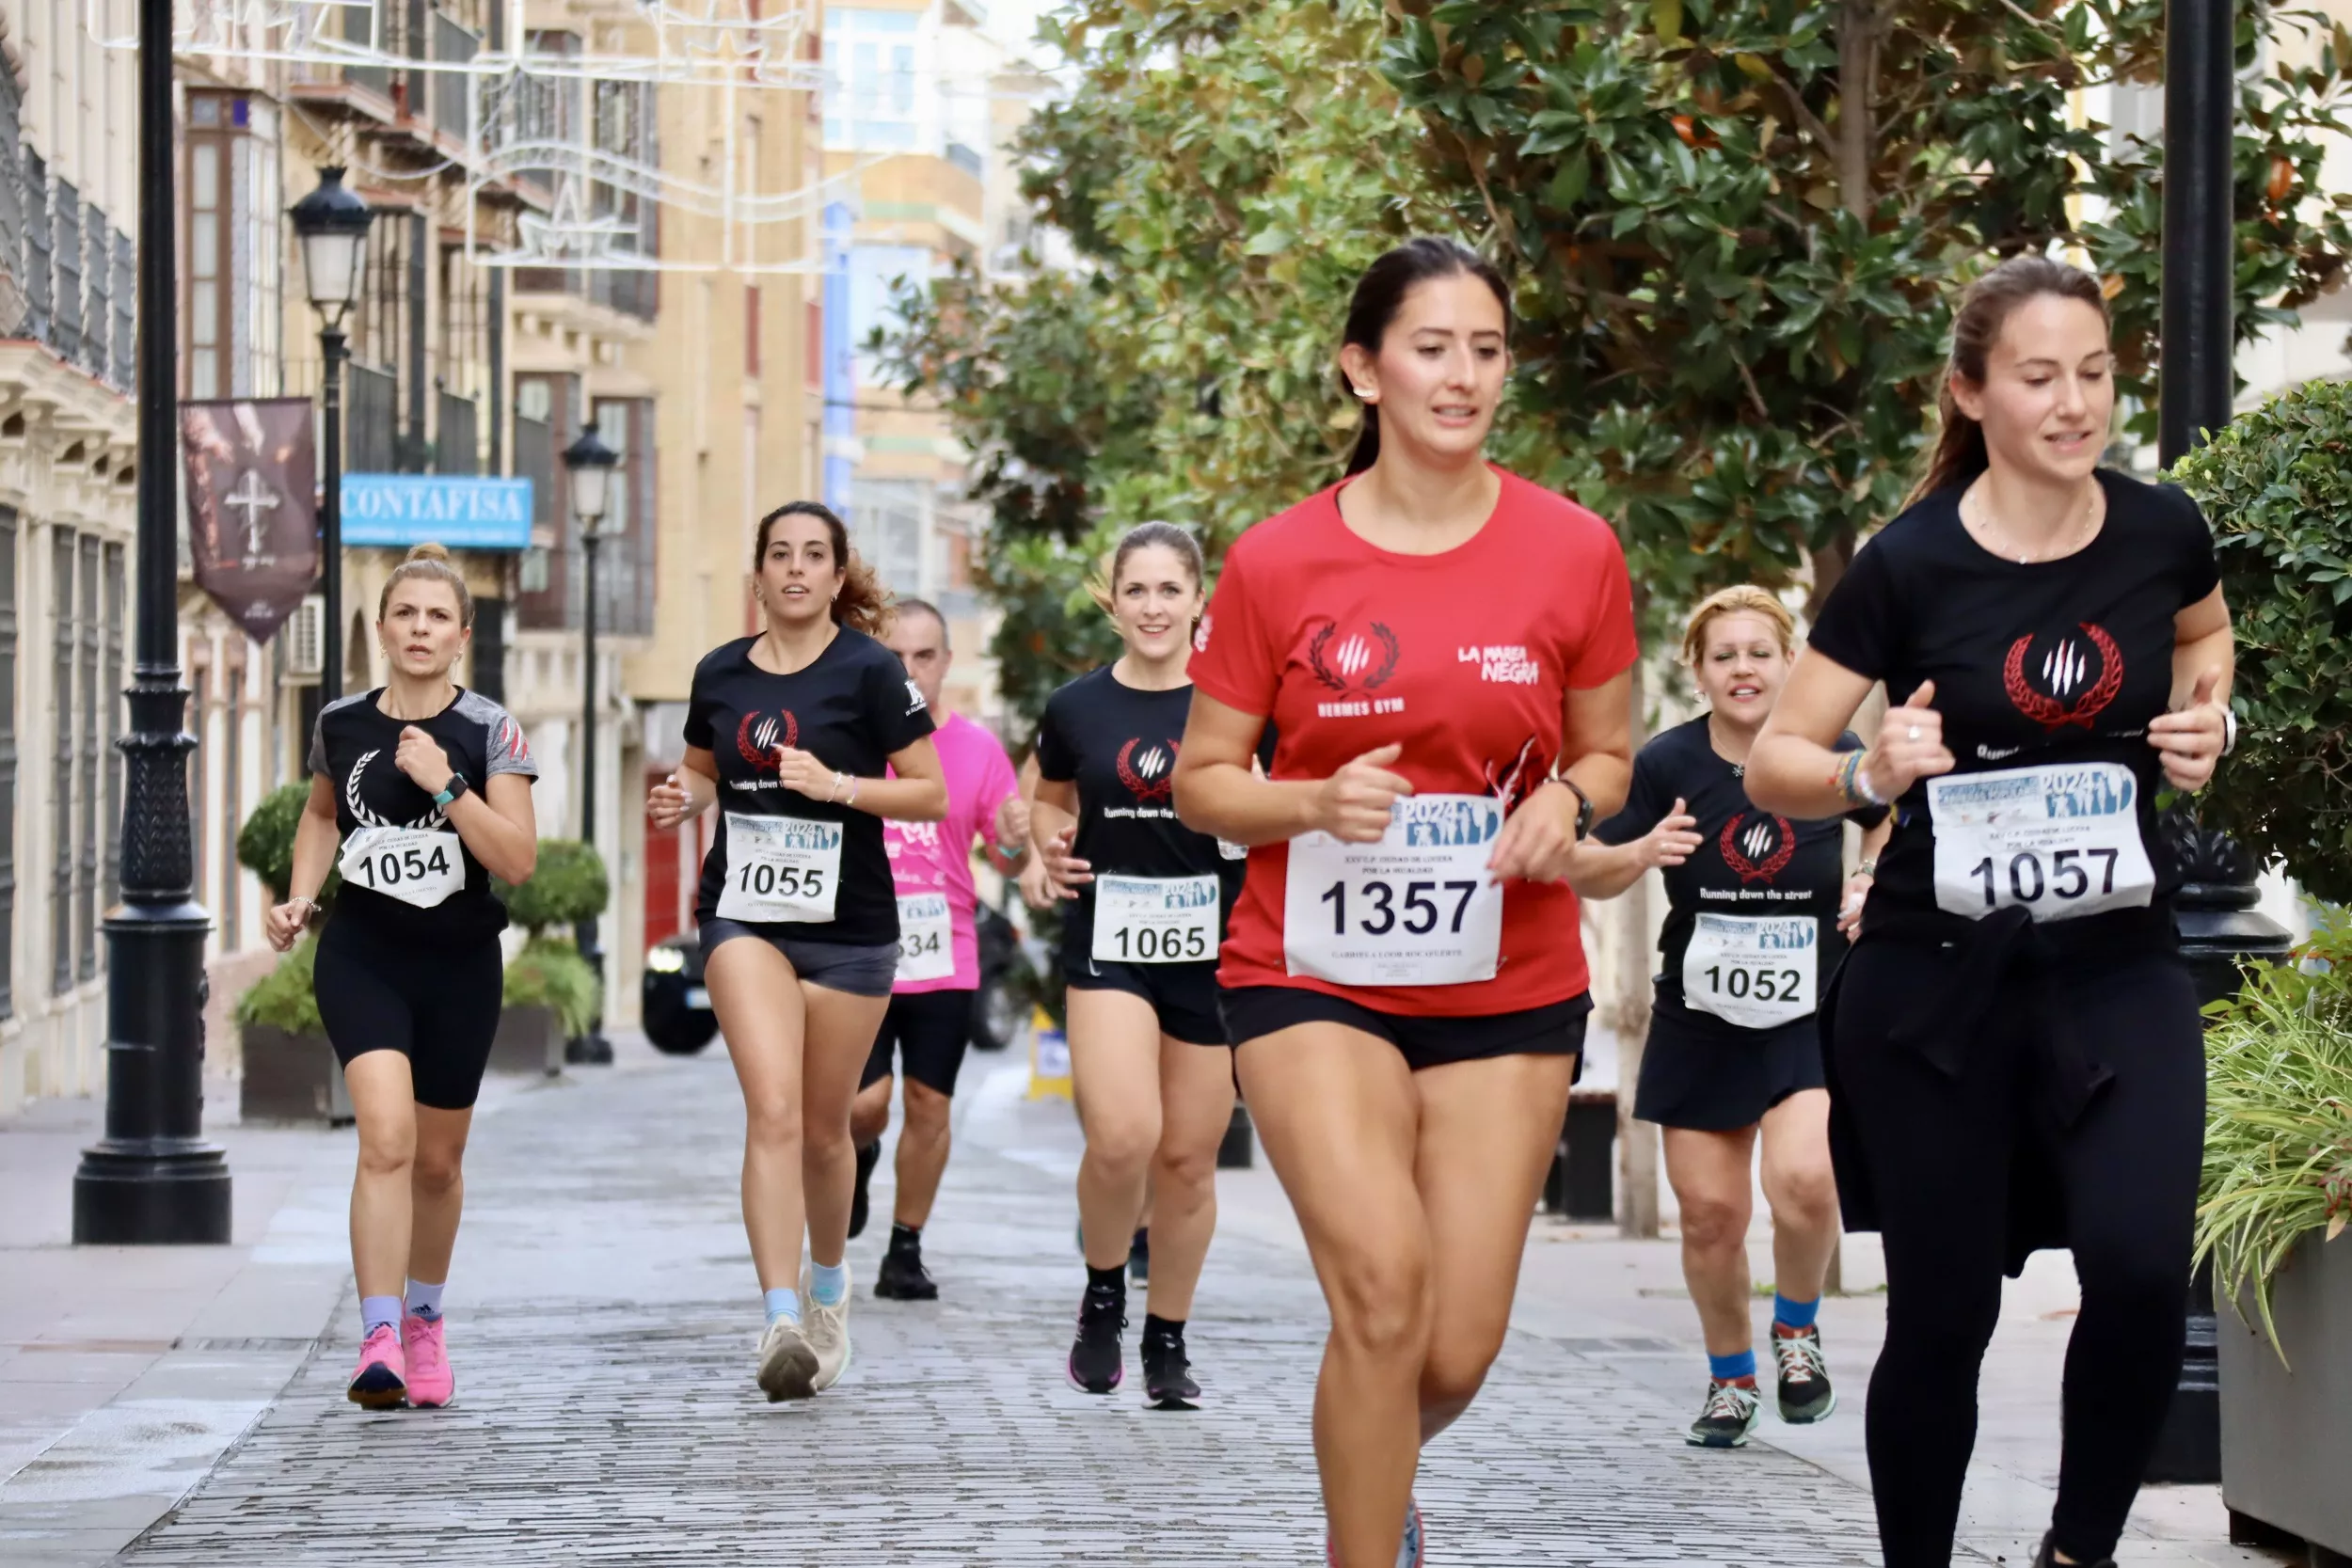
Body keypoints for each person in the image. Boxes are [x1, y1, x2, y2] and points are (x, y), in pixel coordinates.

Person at [1746, 256, 2233, 1568]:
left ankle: (2077, 1551)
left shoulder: (2158, 529)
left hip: (2117, 965)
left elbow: (2203, 631)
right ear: (1972, 390)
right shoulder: (1905, 566)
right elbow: (1774, 758)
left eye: (2094, 371)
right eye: (2038, 376)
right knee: (1946, 1308)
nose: (2075, 403)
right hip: (1935, 987)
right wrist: (1869, 771)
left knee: (2139, 1269)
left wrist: (2206, 720)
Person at [1171, 236, 1639, 1568]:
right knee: (1381, 1291)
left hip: (1510, 977)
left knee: (1451, 1341)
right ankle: (1362, 1545)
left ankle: (1383, 1473)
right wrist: (1311, 801)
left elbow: (1606, 747)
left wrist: (1574, 803)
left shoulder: (1574, 549)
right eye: (1432, 347)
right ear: (1362, 369)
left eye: (1487, 349)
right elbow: (1206, 783)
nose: (1464, 374)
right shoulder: (1277, 563)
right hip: (1309, 967)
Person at [1570, 585, 1890, 1449]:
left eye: (1759, 651)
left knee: (1807, 1180)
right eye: (1724, 656)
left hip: (1809, 1010)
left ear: (1790, 663)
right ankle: (1729, 1380)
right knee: (1710, 1212)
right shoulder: (1668, 764)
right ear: (1700, 672)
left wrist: (1869, 880)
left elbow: (1889, 811)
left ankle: (1796, 1330)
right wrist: (1639, 851)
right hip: (1701, 1014)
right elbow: (1585, 863)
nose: (1743, 668)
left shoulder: (1831, 749)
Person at [647, 501, 948, 1402]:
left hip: (852, 932)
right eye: (779, 554)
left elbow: (929, 793)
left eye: (813, 556)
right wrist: (682, 800)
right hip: (743, 917)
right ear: (758, 574)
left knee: (827, 1131)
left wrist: (840, 786)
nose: (795, 569)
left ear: (835, 574)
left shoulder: (870, 671)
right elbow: (703, 770)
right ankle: (779, 1314)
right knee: (772, 1109)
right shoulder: (720, 674)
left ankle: (826, 1288)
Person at [262, 543, 540, 1411]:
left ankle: (425, 1320)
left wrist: (447, 783)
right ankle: (377, 1336)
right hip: (364, 955)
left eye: (436, 617)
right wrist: (301, 896)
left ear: (462, 634)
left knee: (437, 1163)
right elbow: (319, 814)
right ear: (382, 629)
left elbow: (518, 859)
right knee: (385, 1138)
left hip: (458, 964)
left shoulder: (490, 729)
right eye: (404, 614)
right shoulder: (341, 723)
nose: (419, 629)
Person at [1031, 521, 1245, 1410]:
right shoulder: (1077, 707)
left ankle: (1168, 1338)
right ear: (1110, 601)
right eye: (1137, 590)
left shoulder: (1238, 707)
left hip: (1217, 952)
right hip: (1111, 940)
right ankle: (1104, 1290)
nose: (1153, 606)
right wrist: (1046, 847)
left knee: (1190, 1161)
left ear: (1201, 600)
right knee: (1123, 1136)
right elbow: (1047, 796)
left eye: (1170, 590)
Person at [846, 597, 1028, 1300]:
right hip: (861, 946)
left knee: (927, 1104)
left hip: (943, 953)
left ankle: (905, 1246)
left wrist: (1014, 837)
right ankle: (857, 1156)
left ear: (947, 663)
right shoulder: (853, 741)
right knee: (866, 1106)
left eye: (924, 655)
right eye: (894, 657)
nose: (910, 670)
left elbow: (1008, 857)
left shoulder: (978, 750)